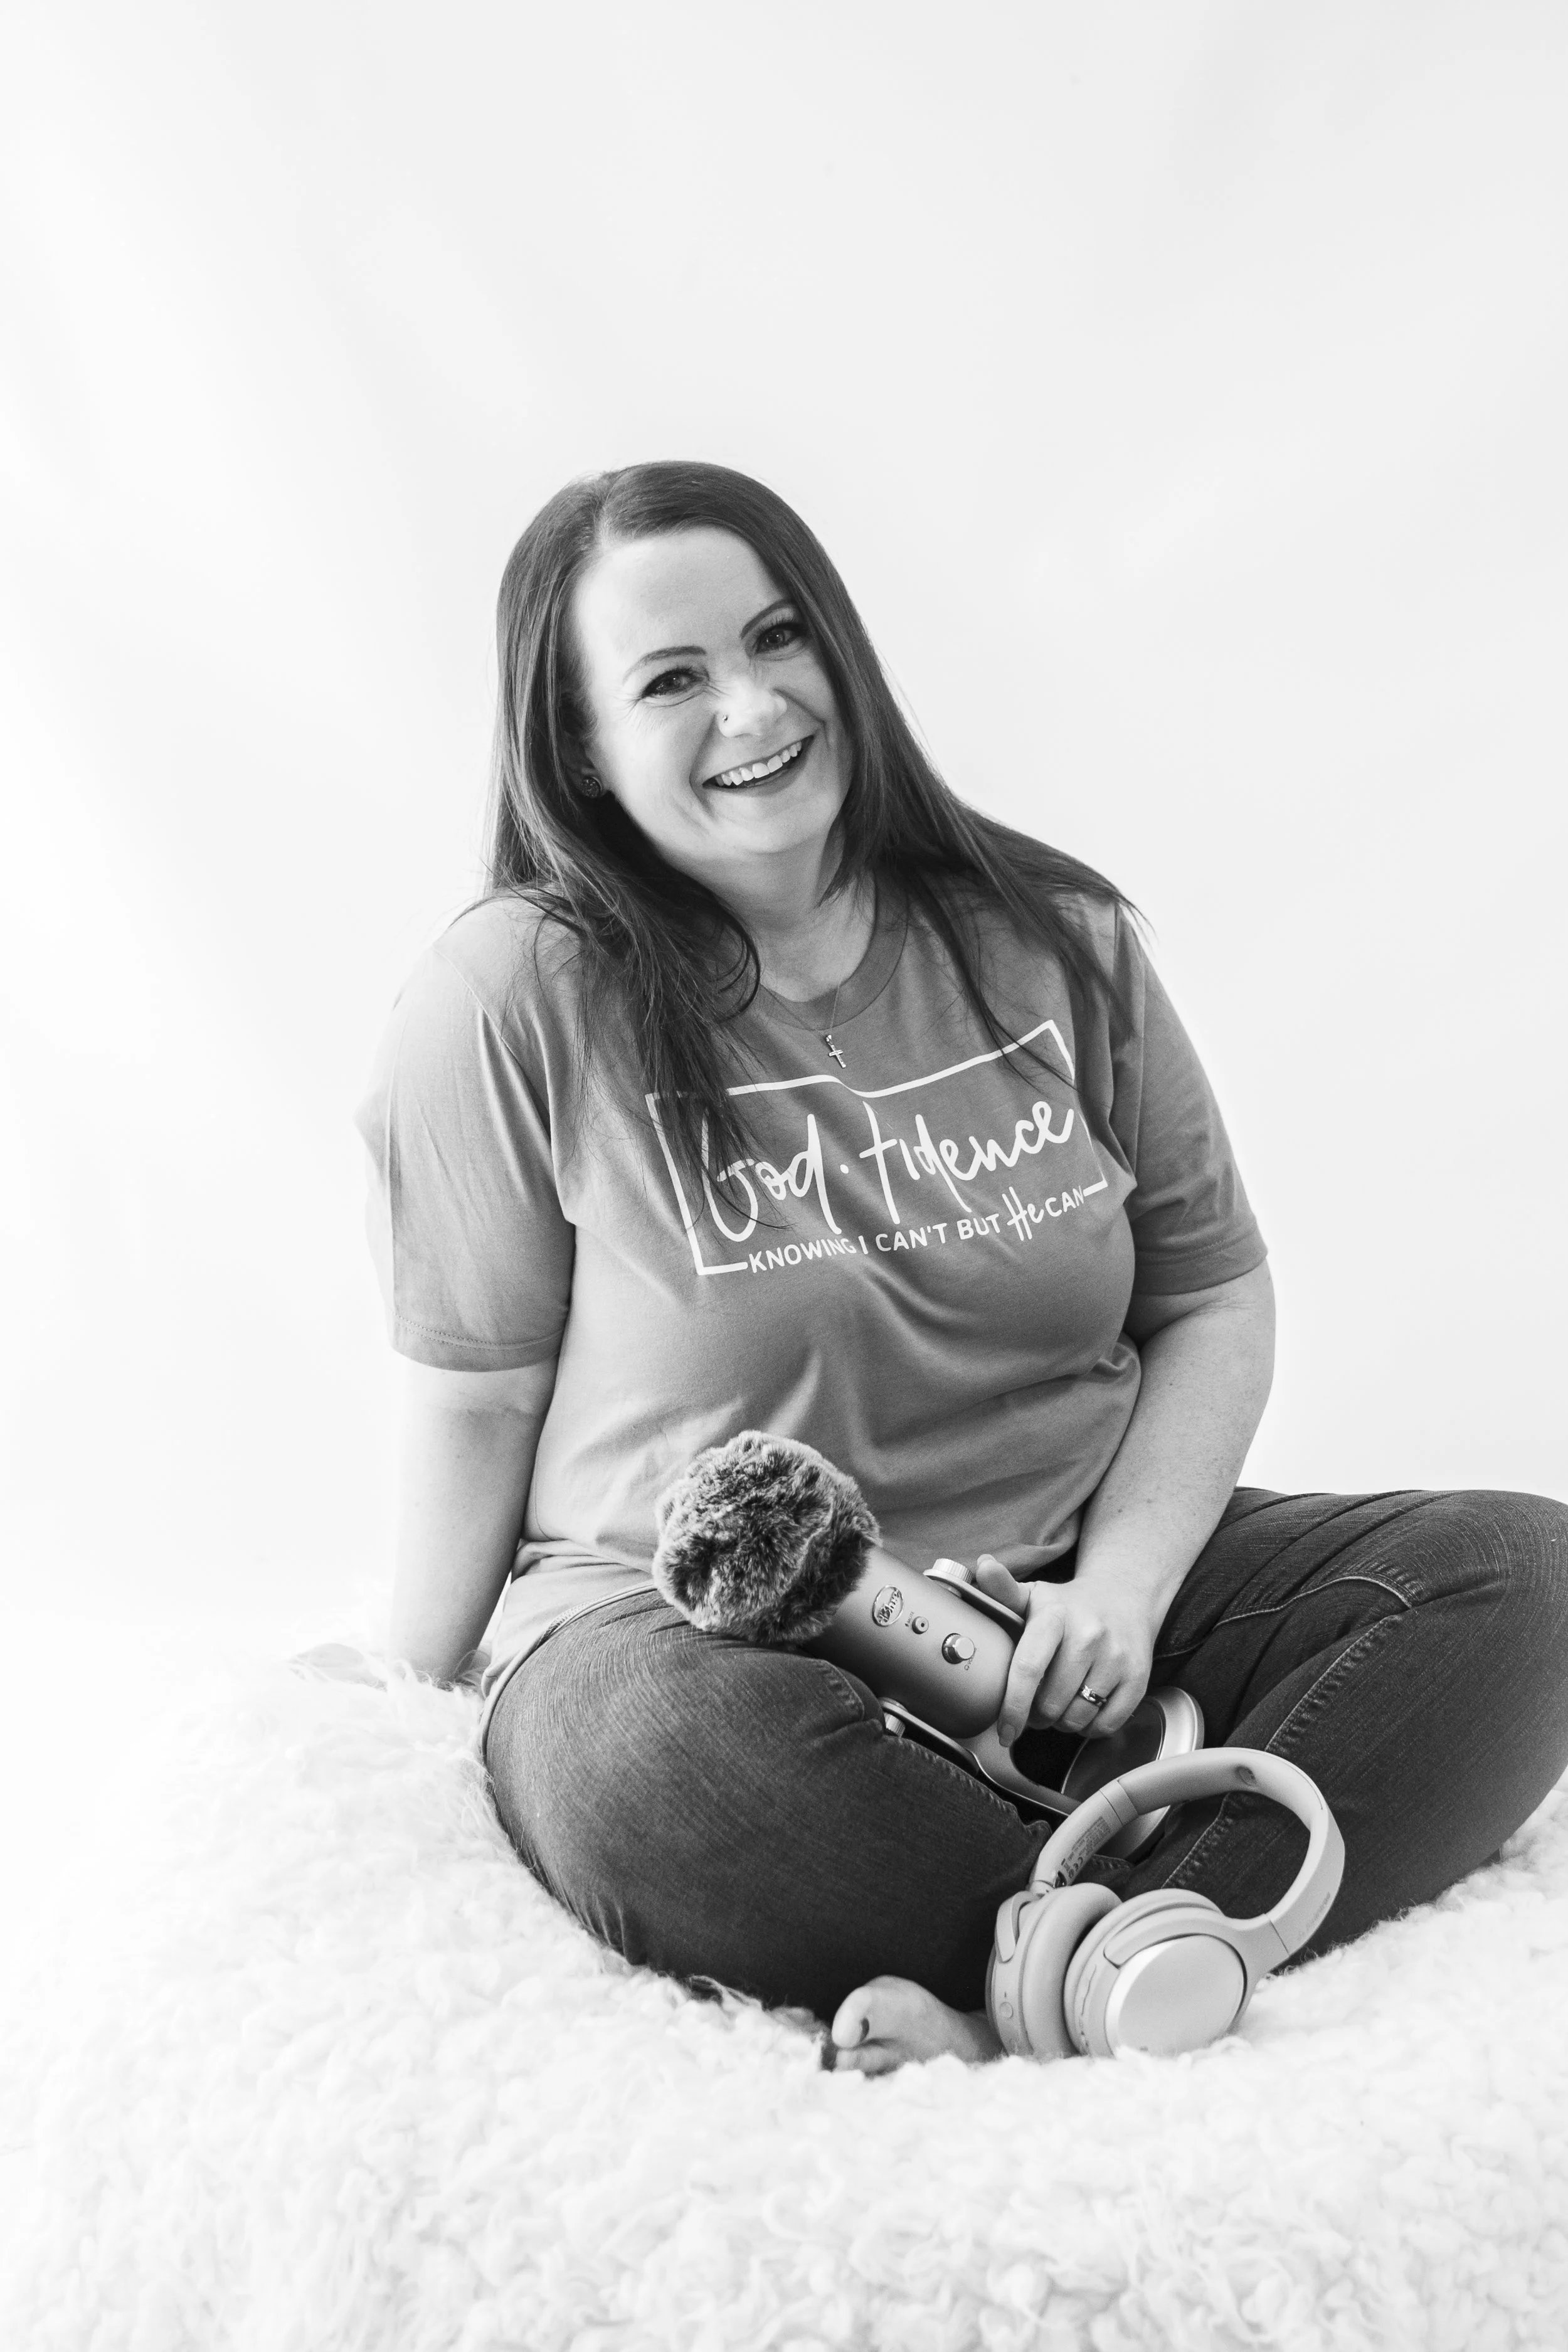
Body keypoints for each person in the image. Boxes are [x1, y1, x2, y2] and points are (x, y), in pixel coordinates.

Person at [356, 460, 1568, 2075]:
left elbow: (1208, 1295)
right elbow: (479, 1401)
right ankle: (1129, 1955)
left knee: (1522, 1581)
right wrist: (394, 1711)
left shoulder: (1050, 935)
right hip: (705, 1644)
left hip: (1068, 1610)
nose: (754, 702)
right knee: (649, 1766)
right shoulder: (513, 992)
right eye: (671, 679)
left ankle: (1023, 1986)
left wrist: (1123, 1593)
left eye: (779, 636)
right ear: (579, 745)